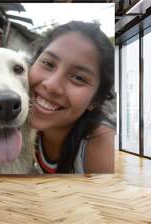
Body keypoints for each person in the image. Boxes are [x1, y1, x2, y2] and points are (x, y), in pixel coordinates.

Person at [29, 21, 115, 174]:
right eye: (48, 63)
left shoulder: (102, 147)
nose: (52, 85)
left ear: (95, 100)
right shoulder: (20, 123)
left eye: (78, 78)